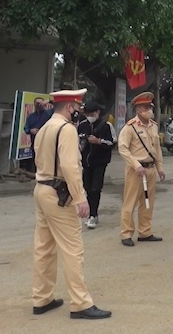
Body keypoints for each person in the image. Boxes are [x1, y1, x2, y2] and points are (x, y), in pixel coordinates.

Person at [31, 88, 111, 320]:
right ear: (69, 108)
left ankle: (42, 298)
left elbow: (38, 159)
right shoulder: (66, 129)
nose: (80, 112)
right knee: (73, 249)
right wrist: (80, 197)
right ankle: (80, 303)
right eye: (78, 107)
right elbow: (70, 167)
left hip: (42, 189)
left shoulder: (46, 127)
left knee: (43, 247)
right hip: (59, 194)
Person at [117, 92, 165, 247]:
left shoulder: (153, 126)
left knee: (147, 203)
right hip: (136, 171)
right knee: (130, 203)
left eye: (150, 106)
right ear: (138, 109)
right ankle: (126, 233)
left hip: (150, 169)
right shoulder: (130, 127)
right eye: (145, 107)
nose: (149, 109)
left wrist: (160, 168)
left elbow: (156, 149)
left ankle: (145, 232)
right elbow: (123, 149)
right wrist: (135, 165)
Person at [78, 101, 117, 229]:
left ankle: (93, 215)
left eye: (92, 113)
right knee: (87, 188)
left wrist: (99, 141)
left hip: (100, 162)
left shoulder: (106, 126)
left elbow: (113, 143)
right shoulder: (82, 125)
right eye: (88, 113)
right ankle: (90, 212)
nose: (90, 115)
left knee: (96, 189)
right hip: (86, 163)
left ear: (98, 112)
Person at [23, 97, 54, 173]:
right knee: (36, 160)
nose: (39, 105)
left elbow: (59, 105)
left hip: (47, 142)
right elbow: (26, 128)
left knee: (47, 160)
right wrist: (30, 130)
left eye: (41, 103)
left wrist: (49, 101)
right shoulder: (30, 116)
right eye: (37, 103)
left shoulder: (49, 113)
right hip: (35, 142)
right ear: (34, 104)